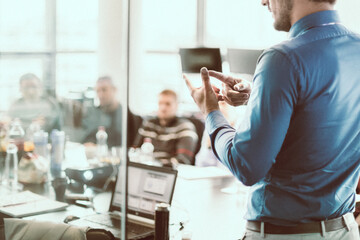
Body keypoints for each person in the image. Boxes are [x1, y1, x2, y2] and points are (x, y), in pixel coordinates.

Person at [184, 0, 360, 239]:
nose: (264, 1)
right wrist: (257, 95)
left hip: (286, 234)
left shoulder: (283, 58)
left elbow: (247, 166)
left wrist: (211, 113)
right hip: (344, 231)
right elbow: (326, 109)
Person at [133, 89, 198, 166]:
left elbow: (183, 160)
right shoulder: (149, 124)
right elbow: (134, 151)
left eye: (168, 104)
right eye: (160, 103)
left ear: (176, 106)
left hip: (169, 172)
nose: (163, 108)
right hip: (146, 168)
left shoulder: (185, 127)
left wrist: (157, 166)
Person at [81, 76, 141, 148]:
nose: (100, 95)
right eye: (97, 91)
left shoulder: (127, 116)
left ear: (114, 90)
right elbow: (88, 137)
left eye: (104, 90)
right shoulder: (94, 114)